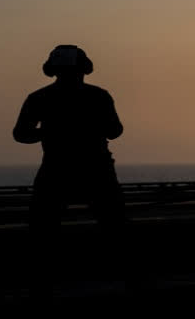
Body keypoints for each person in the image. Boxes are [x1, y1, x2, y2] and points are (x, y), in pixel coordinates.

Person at [14, 44, 126, 235]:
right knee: (113, 223)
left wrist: (50, 132)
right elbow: (115, 131)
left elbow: (21, 134)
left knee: (42, 224)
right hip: (96, 169)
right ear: (84, 69)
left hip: (56, 169)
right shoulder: (99, 96)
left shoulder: (39, 97)